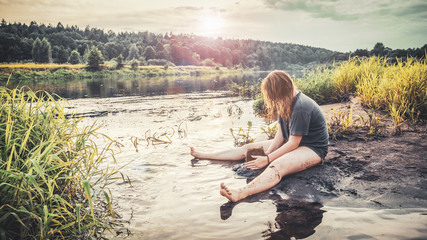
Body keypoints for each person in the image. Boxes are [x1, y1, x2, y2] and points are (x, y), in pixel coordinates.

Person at [190, 70, 329, 202]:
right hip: (295, 142)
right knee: (247, 148)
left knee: (277, 165)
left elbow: (293, 143)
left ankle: (241, 192)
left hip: (313, 148)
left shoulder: (301, 107)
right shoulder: (285, 102)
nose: (273, 100)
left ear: (281, 91)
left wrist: (268, 159)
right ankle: (204, 155)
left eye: (273, 95)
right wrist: (267, 153)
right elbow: (281, 133)